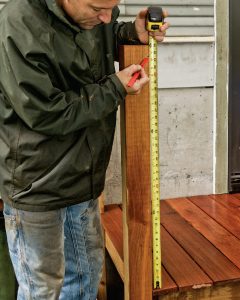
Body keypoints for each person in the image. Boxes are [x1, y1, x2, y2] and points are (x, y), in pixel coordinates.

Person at [0, 0, 169, 299]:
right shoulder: (18, 22)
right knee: (43, 289)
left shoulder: (93, 17)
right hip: (37, 185)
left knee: (86, 276)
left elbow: (96, 39)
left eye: (112, 7)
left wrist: (131, 32)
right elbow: (44, 112)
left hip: (83, 179)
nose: (106, 18)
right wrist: (115, 88)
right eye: (97, 9)